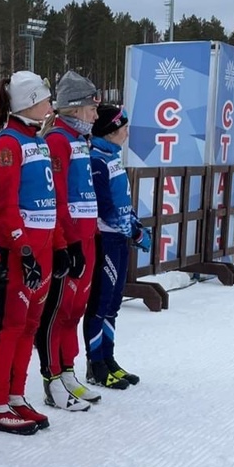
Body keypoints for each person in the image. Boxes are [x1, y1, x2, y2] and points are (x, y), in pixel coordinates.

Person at [0, 70, 57, 436]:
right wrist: (23, 249)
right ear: (28, 103)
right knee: (12, 326)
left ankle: (16, 394)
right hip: (20, 250)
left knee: (30, 325)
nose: (50, 105)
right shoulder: (8, 143)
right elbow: (5, 206)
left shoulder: (37, 141)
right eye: (44, 99)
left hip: (43, 248)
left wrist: (58, 245)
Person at [34, 71, 102, 412]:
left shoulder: (79, 139)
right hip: (70, 238)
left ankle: (68, 370)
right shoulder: (58, 140)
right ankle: (53, 377)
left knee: (76, 310)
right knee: (59, 311)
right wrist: (68, 240)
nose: (95, 115)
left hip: (86, 235)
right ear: (74, 108)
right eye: (91, 108)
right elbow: (58, 196)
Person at [83, 104, 151, 390]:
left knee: (113, 302)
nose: (127, 133)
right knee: (100, 303)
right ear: (110, 132)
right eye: (123, 128)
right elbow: (105, 208)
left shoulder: (112, 158)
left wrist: (135, 225)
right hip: (105, 239)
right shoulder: (96, 160)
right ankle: (95, 364)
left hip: (119, 238)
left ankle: (108, 359)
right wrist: (133, 231)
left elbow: (123, 201)